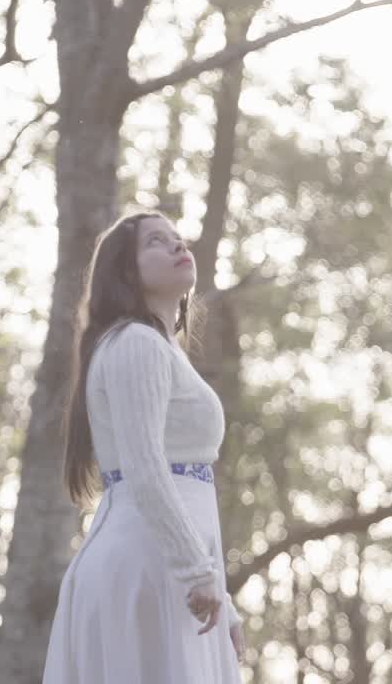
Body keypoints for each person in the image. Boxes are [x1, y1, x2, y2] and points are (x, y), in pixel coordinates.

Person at [43, 210, 245, 683]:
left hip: (168, 566)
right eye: (157, 242)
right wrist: (197, 572)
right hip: (146, 568)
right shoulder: (136, 343)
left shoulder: (158, 347)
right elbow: (145, 465)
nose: (178, 245)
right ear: (126, 271)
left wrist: (221, 595)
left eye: (178, 238)